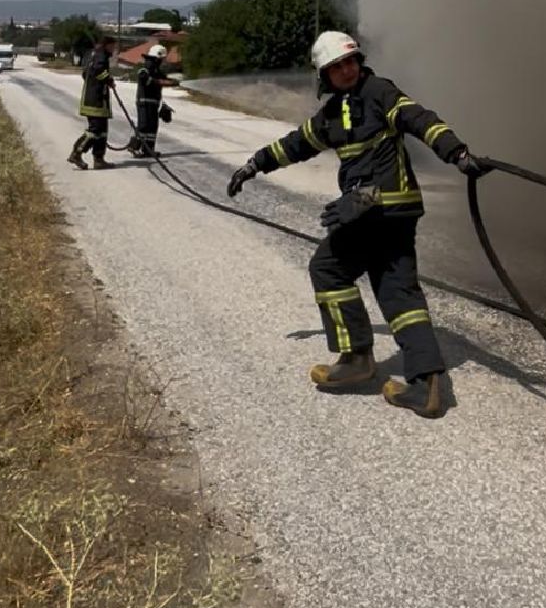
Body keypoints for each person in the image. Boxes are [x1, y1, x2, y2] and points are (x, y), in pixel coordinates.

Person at [227, 31, 484, 418]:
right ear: (324, 76)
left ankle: (357, 358)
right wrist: (255, 164)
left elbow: (418, 119)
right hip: (395, 212)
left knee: (328, 268)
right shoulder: (332, 115)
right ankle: (425, 383)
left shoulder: (379, 90)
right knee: (399, 292)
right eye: (336, 67)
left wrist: (456, 152)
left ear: (359, 61)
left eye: (350, 62)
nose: (347, 70)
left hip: (380, 207)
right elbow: (296, 144)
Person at [68, 36, 117, 171]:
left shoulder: (93, 55)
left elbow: (85, 74)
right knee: (95, 130)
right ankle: (77, 153)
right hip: (95, 100)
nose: (114, 49)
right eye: (112, 46)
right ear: (106, 45)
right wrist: (108, 80)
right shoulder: (100, 56)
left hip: (96, 99)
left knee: (101, 131)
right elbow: (98, 71)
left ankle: (99, 160)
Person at [127, 43, 173, 157]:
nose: (162, 60)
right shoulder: (146, 67)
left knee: (152, 126)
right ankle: (134, 147)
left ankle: (148, 150)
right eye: (161, 58)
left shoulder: (156, 69)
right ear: (157, 57)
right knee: (143, 126)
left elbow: (164, 79)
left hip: (153, 103)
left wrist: (173, 81)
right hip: (144, 102)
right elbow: (144, 77)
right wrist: (160, 82)